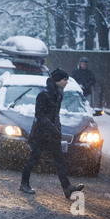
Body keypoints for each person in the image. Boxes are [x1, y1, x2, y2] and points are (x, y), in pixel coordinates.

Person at [19, 68, 84, 199]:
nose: (66, 82)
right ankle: (24, 184)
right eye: (65, 80)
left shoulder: (59, 94)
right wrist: (52, 127)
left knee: (60, 160)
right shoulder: (43, 95)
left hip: (53, 133)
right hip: (41, 133)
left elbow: (56, 115)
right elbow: (39, 115)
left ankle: (67, 188)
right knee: (34, 158)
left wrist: (57, 129)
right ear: (57, 80)